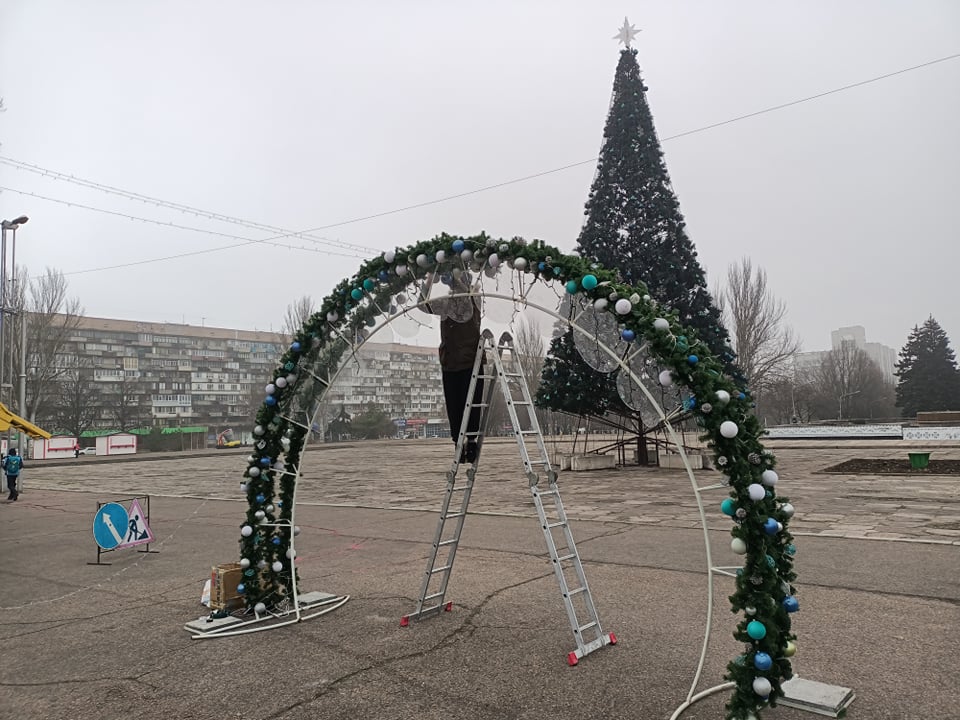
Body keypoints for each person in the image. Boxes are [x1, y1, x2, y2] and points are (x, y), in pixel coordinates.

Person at [423, 271, 484, 463]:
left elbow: (465, 296)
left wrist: (453, 276)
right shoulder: (445, 304)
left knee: (472, 403)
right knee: (454, 406)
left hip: (470, 360)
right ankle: (458, 443)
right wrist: (429, 280)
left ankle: (471, 442)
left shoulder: (474, 299)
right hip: (451, 361)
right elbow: (422, 304)